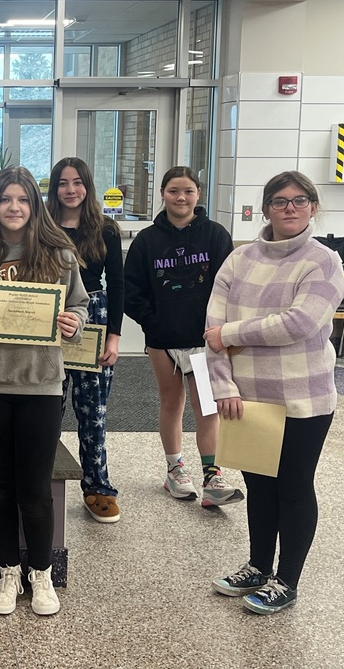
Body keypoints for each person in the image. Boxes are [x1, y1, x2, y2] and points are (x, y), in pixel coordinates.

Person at [0, 167, 89, 616]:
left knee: (35, 487)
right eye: (6, 199)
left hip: (41, 386)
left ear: (35, 206)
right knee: (0, 484)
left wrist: (74, 323)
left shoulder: (60, 255)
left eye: (23, 200)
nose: (14, 207)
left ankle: (41, 574)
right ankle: (9, 570)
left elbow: (81, 306)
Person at [205, 171, 344, 615]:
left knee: (294, 485)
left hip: (304, 398)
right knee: (259, 484)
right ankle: (258, 566)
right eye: (280, 201)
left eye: (300, 201)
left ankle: (288, 579)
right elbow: (210, 332)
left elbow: (299, 323)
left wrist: (232, 332)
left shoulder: (324, 261)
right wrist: (223, 384)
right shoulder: (238, 259)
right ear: (265, 209)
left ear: (313, 208)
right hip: (246, 398)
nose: (290, 208)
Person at [123, 166, 242, 507]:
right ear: (163, 194)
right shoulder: (147, 240)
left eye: (188, 191)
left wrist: (220, 330)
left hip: (204, 340)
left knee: (207, 406)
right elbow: (133, 291)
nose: (181, 197)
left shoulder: (215, 235)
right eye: (174, 190)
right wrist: (153, 323)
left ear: (198, 194)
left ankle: (212, 475)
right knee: (171, 403)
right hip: (163, 340)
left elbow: (229, 288)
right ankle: (175, 470)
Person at [46, 157, 123, 524]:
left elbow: (118, 285)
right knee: (48, 405)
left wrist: (114, 338)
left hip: (95, 318)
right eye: (63, 183)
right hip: (52, 317)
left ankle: (98, 487)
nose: (70, 190)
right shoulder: (41, 227)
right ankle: (42, 477)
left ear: (88, 187)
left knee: (92, 410)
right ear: (54, 188)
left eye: (77, 182)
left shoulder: (105, 228)